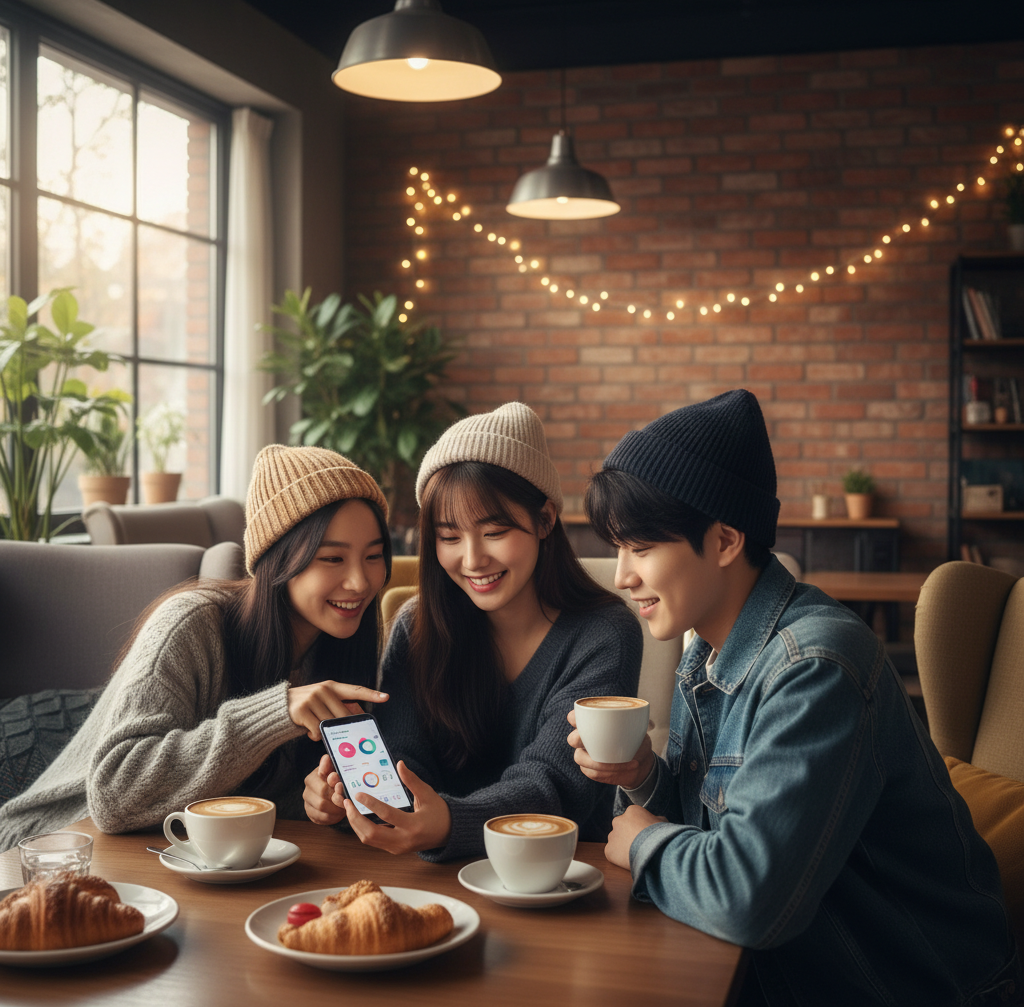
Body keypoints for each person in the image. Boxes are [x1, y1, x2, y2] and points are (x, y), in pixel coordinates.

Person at [568, 390, 1021, 1007]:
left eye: (641, 548)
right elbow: (719, 826)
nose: (622, 576)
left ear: (725, 540)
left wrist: (644, 844)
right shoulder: (705, 651)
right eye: (617, 548)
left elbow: (749, 898)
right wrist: (645, 777)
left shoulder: (816, 666)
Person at [0, 445, 393, 853]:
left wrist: (316, 803)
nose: (360, 583)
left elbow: (246, 797)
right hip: (55, 846)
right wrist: (275, 713)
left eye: (374, 556)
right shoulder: (190, 623)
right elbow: (115, 794)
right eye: (332, 558)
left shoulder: (344, 643)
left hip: (189, 852)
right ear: (278, 560)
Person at [304, 402, 643, 861]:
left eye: (494, 530)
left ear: (544, 520)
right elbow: (403, 761)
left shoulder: (605, 633)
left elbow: (555, 786)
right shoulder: (417, 626)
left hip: (557, 876)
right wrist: (355, 798)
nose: (472, 559)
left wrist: (446, 822)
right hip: (431, 874)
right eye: (449, 537)